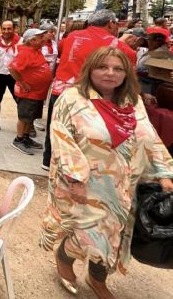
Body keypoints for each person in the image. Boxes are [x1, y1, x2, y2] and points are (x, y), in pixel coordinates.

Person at [40, 47, 173, 298]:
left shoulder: (133, 101)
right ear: (90, 69)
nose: (110, 73)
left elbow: (150, 137)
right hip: (87, 184)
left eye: (117, 68)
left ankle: (97, 278)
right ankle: (64, 257)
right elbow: (61, 139)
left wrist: (164, 173)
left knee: (115, 235)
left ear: (126, 73)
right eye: (103, 67)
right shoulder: (71, 99)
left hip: (126, 185)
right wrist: (75, 179)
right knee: (88, 233)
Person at [43, 10, 135, 170]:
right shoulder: (117, 45)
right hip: (90, 97)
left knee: (57, 128)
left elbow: (62, 51)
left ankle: (48, 161)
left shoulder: (72, 36)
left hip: (61, 90)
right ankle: (75, 168)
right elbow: (131, 60)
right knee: (83, 135)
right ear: (111, 24)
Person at [8, 29, 52, 155]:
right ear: (32, 40)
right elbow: (12, 68)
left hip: (37, 93)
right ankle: (18, 139)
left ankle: (26, 137)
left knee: (30, 117)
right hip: (28, 93)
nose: (43, 39)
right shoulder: (25, 53)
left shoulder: (36, 50)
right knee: (24, 117)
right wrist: (22, 82)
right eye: (40, 37)